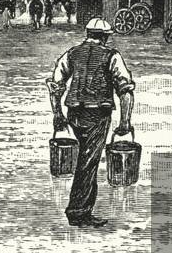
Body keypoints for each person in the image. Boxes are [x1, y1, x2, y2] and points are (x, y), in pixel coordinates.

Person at [47, 18, 135, 227]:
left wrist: (57, 114)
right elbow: (125, 92)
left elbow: (55, 86)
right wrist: (125, 122)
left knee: (83, 161)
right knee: (88, 163)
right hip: (97, 115)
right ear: (104, 37)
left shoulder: (71, 54)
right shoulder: (111, 56)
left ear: (87, 34)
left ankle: (79, 208)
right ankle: (78, 212)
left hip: (74, 112)